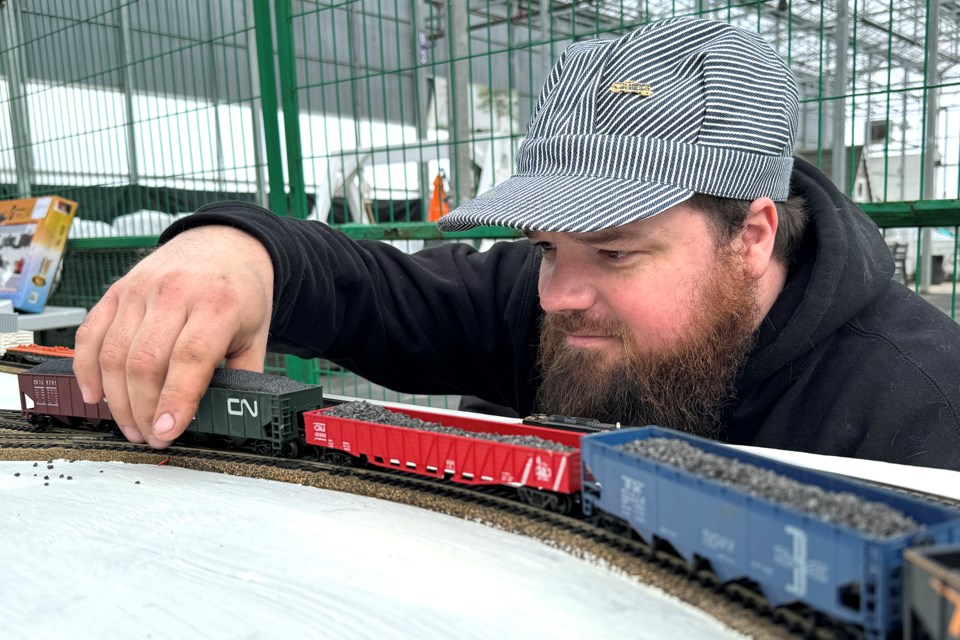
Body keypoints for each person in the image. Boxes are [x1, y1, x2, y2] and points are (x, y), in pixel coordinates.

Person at [73, 17, 960, 470]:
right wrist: (236, 251)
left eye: (614, 251)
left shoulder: (919, 411)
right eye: (544, 246)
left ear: (752, 236)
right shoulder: (552, 308)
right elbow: (372, 291)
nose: (555, 293)